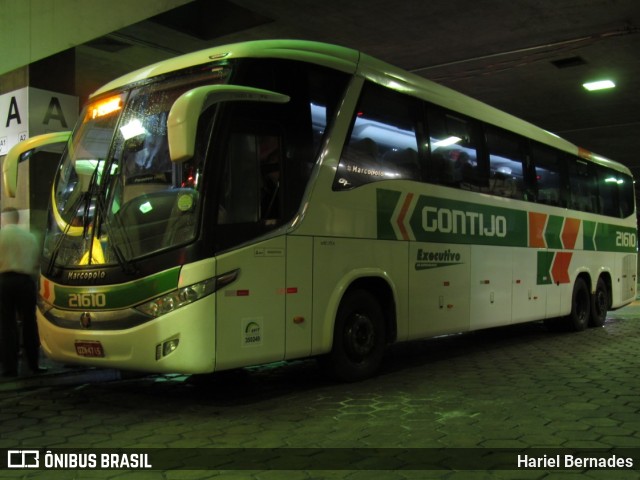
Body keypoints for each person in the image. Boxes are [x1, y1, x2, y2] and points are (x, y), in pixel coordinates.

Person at [0, 208, 43, 377]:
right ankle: (33, 364)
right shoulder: (30, 237)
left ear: (3, 219)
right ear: (17, 219)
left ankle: (10, 368)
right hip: (26, 281)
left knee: (7, 325)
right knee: (30, 323)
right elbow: (35, 262)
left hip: (4, 281)